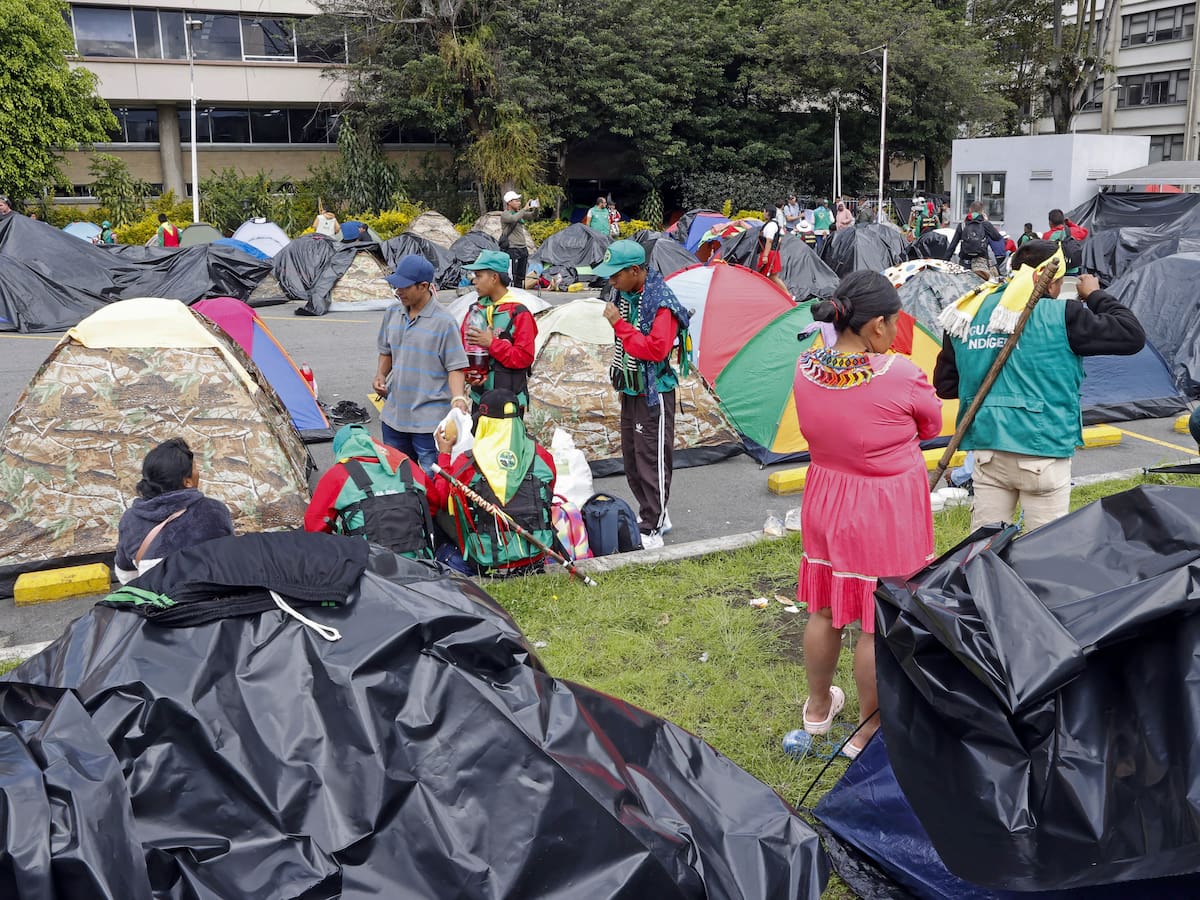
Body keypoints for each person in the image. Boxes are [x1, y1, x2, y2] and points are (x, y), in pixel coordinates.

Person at [793, 271, 942, 758]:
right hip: (882, 508)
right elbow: (932, 423)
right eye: (894, 322)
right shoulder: (900, 373)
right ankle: (866, 731)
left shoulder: (805, 365)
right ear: (876, 325)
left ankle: (817, 710)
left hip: (824, 496)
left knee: (826, 609)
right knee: (874, 624)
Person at [933, 240, 1145, 532]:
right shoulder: (1064, 315)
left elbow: (945, 385)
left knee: (983, 552)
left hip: (987, 451)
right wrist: (1095, 294)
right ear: (1050, 281)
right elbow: (1131, 335)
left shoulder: (969, 310)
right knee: (1046, 555)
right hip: (1043, 451)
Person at [595, 239, 691, 550]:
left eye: (616, 275)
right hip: (631, 386)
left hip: (654, 391)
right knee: (633, 457)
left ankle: (654, 525)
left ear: (636, 271)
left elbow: (654, 350)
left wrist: (619, 325)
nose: (612, 282)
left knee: (652, 459)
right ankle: (652, 513)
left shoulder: (661, 302)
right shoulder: (624, 294)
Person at [427, 389, 557, 575]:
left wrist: (445, 454)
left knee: (439, 526)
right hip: (535, 555)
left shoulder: (468, 463)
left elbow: (440, 498)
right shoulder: (542, 457)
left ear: (482, 422)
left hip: (486, 562)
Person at [374, 255, 469, 471]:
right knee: (398, 476)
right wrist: (380, 375)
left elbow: (455, 366)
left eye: (404, 287)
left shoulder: (444, 322)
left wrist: (458, 398)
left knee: (431, 479)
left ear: (424, 286)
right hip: (394, 417)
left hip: (429, 422)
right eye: (396, 286)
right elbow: (386, 351)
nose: (398, 291)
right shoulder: (392, 313)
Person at [113, 438, 235, 584]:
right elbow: (230, 561)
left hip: (156, 602)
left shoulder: (130, 520)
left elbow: (126, 576)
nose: (198, 471)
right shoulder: (214, 511)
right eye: (195, 468)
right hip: (210, 599)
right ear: (187, 482)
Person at [304, 423, 435, 558]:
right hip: (422, 564)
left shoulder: (337, 475)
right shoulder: (406, 464)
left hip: (367, 571)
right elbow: (433, 503)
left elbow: (314, 527)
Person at [460, 249, 538, 413]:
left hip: (509, 404)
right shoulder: (475, 311)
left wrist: (491, 344)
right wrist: (470, 373)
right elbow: (462, 350)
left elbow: (524, 358)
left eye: (479, 276)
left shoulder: (519, 313)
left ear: (494, 277)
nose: (474, 281)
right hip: (479, 400)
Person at [946, 201, 1002, 278]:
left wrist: (945, 261)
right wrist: (987, 222)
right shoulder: (985, 224)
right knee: (981, 286)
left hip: (964, 261)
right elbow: (997, 238)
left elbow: (952, 245)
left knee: (964, 284)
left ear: (969, 210)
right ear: (982, 211)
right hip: (981, 262)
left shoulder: (962, 225)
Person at [499, 190, 538, 289]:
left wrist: (536, 208)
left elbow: (533, 216)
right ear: (509, 203)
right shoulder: (505, 214)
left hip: (522, 247)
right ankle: (513, 292)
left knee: (521, 275)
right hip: (512, 248)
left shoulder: (519, 213)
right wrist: (524, 209)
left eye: (519, 200)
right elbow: (513, 219)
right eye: (516, 201)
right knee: (514, 275)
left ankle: (520, 291)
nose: (519, 203)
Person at [1042, 208, 1089, 276]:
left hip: (1056, 272)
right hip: (1073, 271)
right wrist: (1070, 223)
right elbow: (1085, 232)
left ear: (1050, 222)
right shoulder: (1072, 231)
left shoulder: (1046, 236)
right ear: (1063, 221)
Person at [756, 210, 791, 295]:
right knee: (766, 276)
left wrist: (765, 256)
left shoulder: (771, 225)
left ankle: (787, 294)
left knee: (772, 276)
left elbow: (769, 241)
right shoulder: (774, 224)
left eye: (764, 211)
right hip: (771, 252)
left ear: (768, 213)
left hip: (769, 253)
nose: (763, 213)